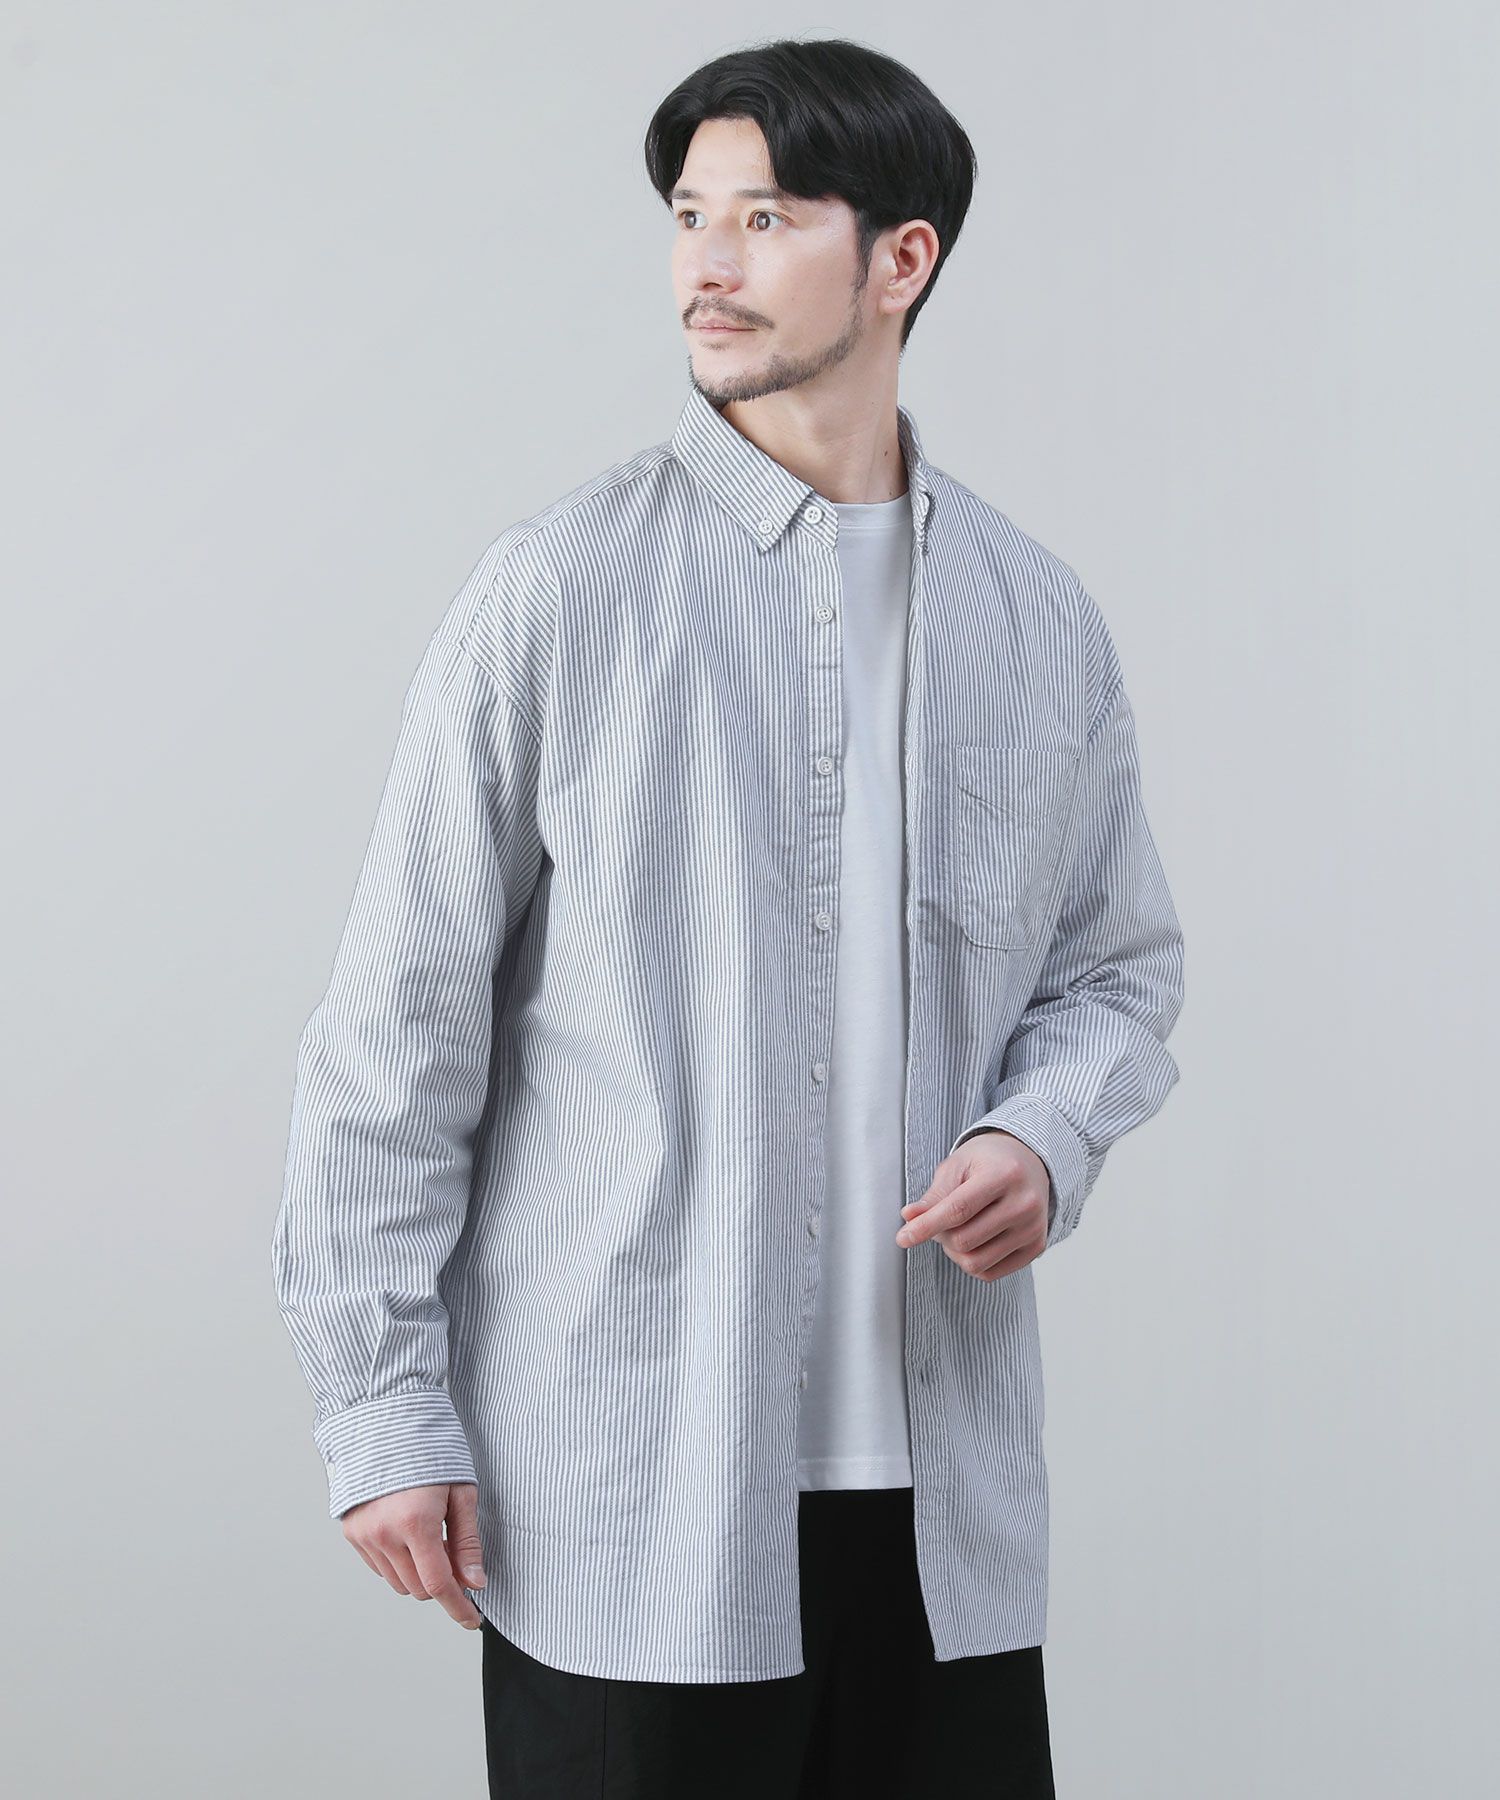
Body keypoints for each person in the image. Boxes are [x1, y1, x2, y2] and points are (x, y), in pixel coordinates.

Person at [272, 34, 1185, 1799]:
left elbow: (1114, 970)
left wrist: (1042, 1132)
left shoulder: (1035, 620)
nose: (707, 261)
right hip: (631, 1493)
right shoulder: (559, 595)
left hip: (943, 1515)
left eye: (765, 217)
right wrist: (381, 1408)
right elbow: (396, 1036)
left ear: (901, 258)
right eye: (691, 215)